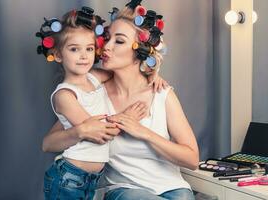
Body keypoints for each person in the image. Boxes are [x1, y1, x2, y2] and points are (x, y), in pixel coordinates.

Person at [43, 1, 199, 199]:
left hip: (172, 187)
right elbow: (48, 144)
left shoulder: (161, 93)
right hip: (124, 189)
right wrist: (81, 131)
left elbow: (192, 159)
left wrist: (143, 132)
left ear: (139, 52)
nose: (106, 47)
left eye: (119, 41)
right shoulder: (93, 93)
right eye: (107, 38)